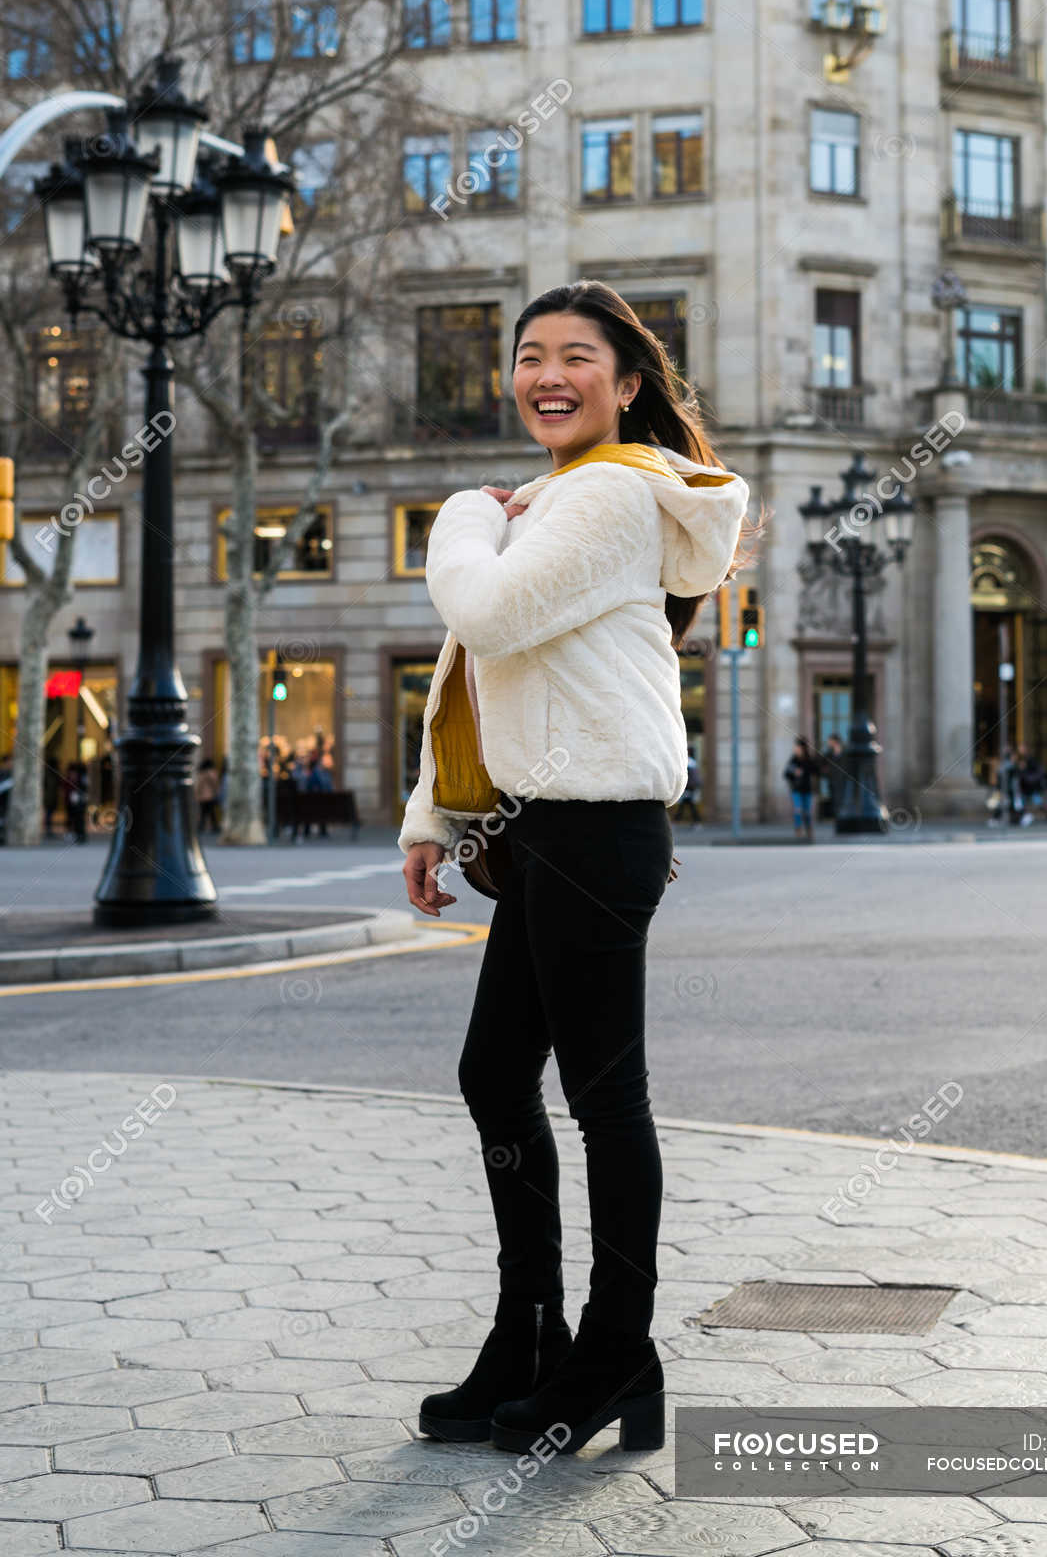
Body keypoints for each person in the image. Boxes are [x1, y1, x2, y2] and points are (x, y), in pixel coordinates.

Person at [399, 280, 754, 1459]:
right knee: (496, 1078)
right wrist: (432, 815)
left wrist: (458, 513)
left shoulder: (608, 492)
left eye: (575, 357)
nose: (546, 374)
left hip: (598, 828)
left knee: (606, 1101)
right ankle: (531, 1333)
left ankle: (616, 1348)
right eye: (529, 355)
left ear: (628, 383)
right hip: (544, 823)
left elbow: (486, 617)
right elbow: (486, 676)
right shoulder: (559, 497)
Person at [784, 736, 819, 840]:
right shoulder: (793, 759)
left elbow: (816, 771)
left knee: (807, 811)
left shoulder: (809, 759)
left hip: (807, 789)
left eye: (798, 747)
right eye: (796, 747)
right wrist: (794, 773)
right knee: (798, 810)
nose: (796, 749)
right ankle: (798, 830)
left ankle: (809, 830)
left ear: (803, 748)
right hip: (796, 789)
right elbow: (786, 773)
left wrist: (806, 770)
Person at [672, 744, 701, 824]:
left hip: (688, 787)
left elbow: (687, 777)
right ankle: (695, 820)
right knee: (688, 804)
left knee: (688, 805)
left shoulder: (688, 762)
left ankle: (695, 820)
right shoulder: (693, 762)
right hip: (691, 787)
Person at [196, 757, 221, 835]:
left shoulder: (201, 774)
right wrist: (217, 792)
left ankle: (202, 827)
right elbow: (216, 784)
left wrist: (197, 795)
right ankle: (214, 827)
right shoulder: (213, 773)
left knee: (205, 813)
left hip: (203, 797)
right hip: (210, 796)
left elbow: (198, 786)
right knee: (210, 813)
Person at [64, 760, 88, 843]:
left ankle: (80, 835)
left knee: (78, 819)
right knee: (76, 819)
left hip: (77, 801)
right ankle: (79, 835)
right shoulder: (81, 778)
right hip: (75, 801)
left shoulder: (80, 779)